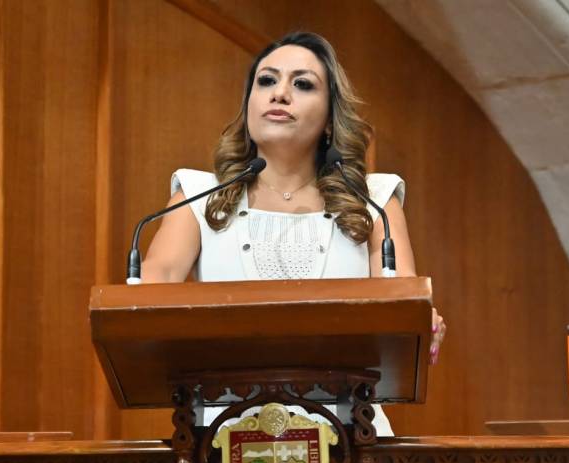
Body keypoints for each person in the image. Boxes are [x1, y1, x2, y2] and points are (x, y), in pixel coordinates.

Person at [141, 32, 446, 435]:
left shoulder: (372, 200)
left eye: (302, 84)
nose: (280, 93)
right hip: (223, 439)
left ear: (330, 117)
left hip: (352, 438)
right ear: (248, 105)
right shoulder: (199, 196)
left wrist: (421, 320)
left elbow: (400, 302)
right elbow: (149, 294)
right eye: (266, 80)